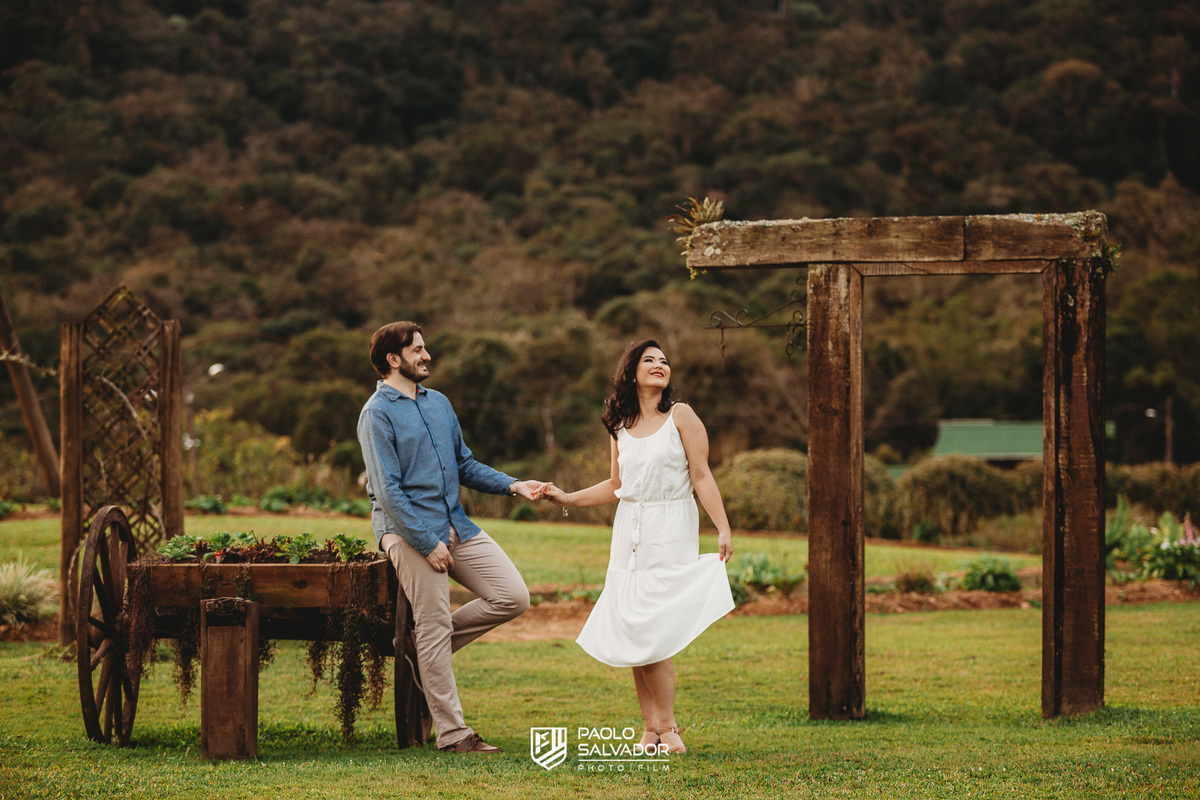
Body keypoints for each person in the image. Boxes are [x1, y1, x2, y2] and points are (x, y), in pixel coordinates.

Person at [357, 321, 547, 754]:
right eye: (418, 350)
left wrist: (514, 484)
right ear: (394, 359)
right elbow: (387, 492)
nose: (426, 356)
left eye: (425, 349)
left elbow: (466, 464)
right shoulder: (376, 413)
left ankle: (419, 650)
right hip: (406, 532)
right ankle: (453, 734)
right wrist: (426, 542)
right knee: (435, 622)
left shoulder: (439, 403)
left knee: (512, 596)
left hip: (456, 523)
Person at [542, 339, 734, 755]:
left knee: (655, 629)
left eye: (664, 361)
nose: (660, 365)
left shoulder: (681, 416)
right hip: (628, 533)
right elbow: (616, 486)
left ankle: (670, 728)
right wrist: (569, 498)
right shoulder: (620, 426)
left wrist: (722, 526)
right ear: (631, 372)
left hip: (670, 529)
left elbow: (701, 475)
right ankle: (650, 728)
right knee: (632, 626)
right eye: (649, 360)